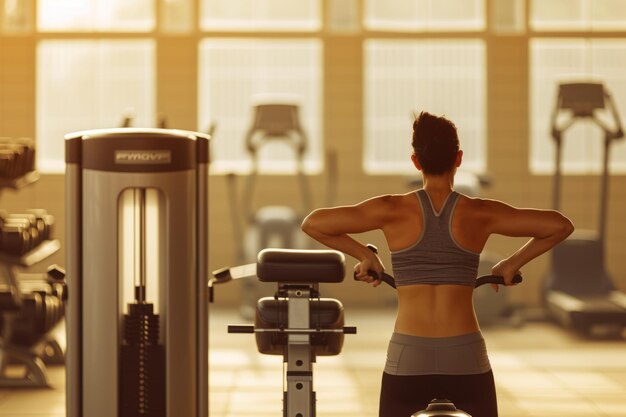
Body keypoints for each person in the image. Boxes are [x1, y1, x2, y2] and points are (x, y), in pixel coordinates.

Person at [300, 111, 574, 417]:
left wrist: (366, 255)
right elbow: (560, 226)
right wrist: (511, 263)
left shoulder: (391, 209)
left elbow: (314, 223)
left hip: (408, 354)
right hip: (465, 354)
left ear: (416, 161)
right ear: (458, 158)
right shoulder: (480, 212)